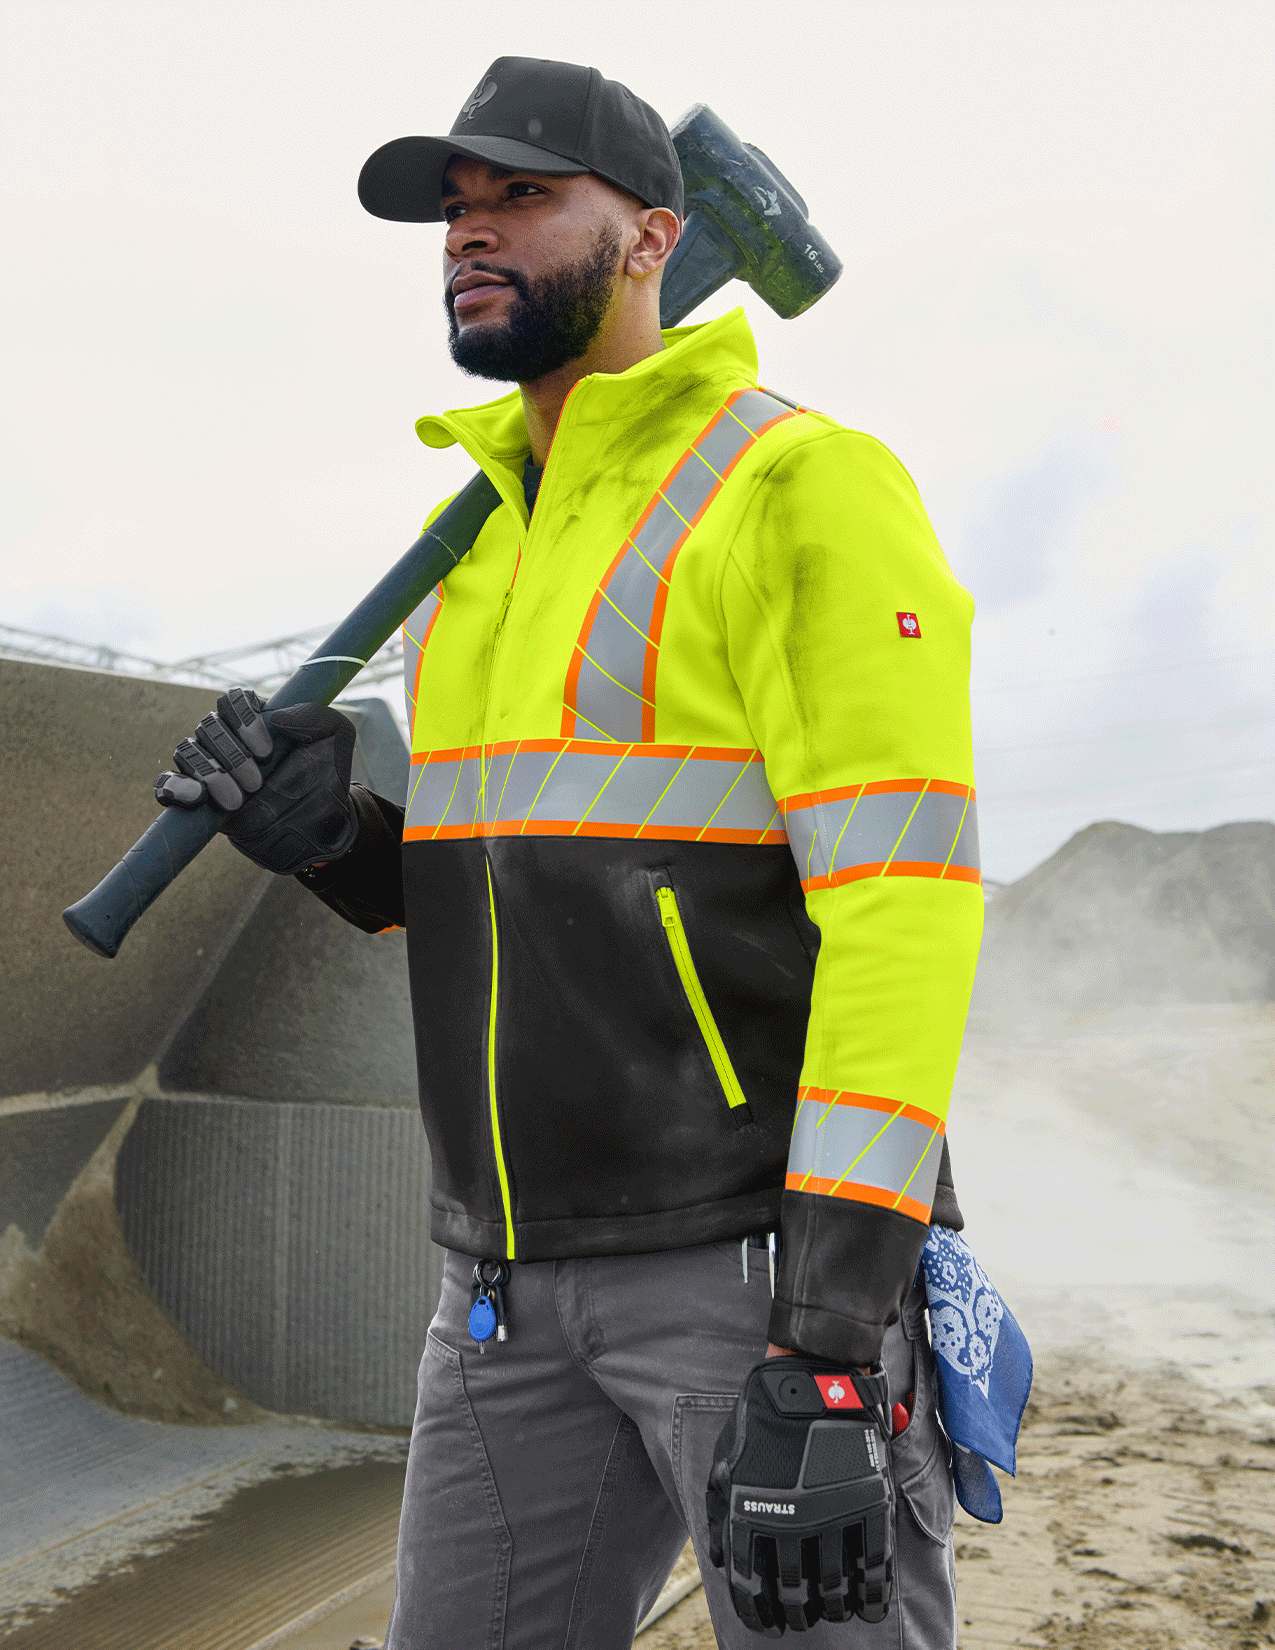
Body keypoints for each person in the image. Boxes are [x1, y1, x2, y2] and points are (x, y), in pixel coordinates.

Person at [156, 56, 983, 1648]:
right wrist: (332, 835)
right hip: (497, 1291)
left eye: (522, 196)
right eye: (455, 211)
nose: (471, 235)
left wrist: (826, 1330)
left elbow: (905, 915)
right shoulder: (478, 548)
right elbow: (512, 904)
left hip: (746, 1274)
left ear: (656, 234)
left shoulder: (797, 484)